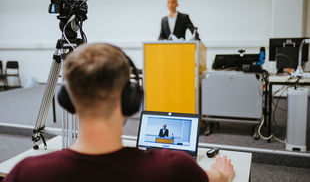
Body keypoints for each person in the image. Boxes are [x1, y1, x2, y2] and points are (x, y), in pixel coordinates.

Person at [4, 43, 234, 182]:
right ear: (130, 99)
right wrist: (221, 172)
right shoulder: (174, 167)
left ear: (67, 100)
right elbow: (217, 178)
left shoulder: (27, 173)